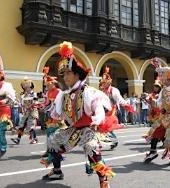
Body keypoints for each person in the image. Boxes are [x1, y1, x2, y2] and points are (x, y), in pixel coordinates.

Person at [40, 41, 115, 188]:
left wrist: (97, 120)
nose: (65, 77)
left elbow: (99, 109)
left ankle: (103, 180)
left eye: (68, 73)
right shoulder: (63, 95)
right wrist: (47, 107)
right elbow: (56, 115)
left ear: (77, 74)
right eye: (63, 74)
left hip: (88, 128)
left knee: (92, 150)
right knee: (53, 141)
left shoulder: (89, 92)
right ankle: (56, 170)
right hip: (74, 129)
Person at [98, 66, 134, 149]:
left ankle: (113, 140)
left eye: (104, 83)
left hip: (112, 110)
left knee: (107, 127)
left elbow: (120, 99)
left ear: (108, 83)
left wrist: (126, 105)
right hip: (103, 110)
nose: (102, 85)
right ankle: (107, 141)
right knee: (101, 127)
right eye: (102, 83)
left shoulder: (113, 90)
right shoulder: (101, 91)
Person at [11, 77, 40, 144]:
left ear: (31, 87)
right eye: (25, 87)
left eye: (27, 87)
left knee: (31, 126)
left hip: (32, 112)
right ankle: (18, 139)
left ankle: (34, 139)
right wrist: (17, 103)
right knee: (21, 125)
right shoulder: (23, 95)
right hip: (26, 112)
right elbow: (21, 103)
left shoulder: (34, 94)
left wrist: (31, 105)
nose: (26, 89)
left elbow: (36, 102)